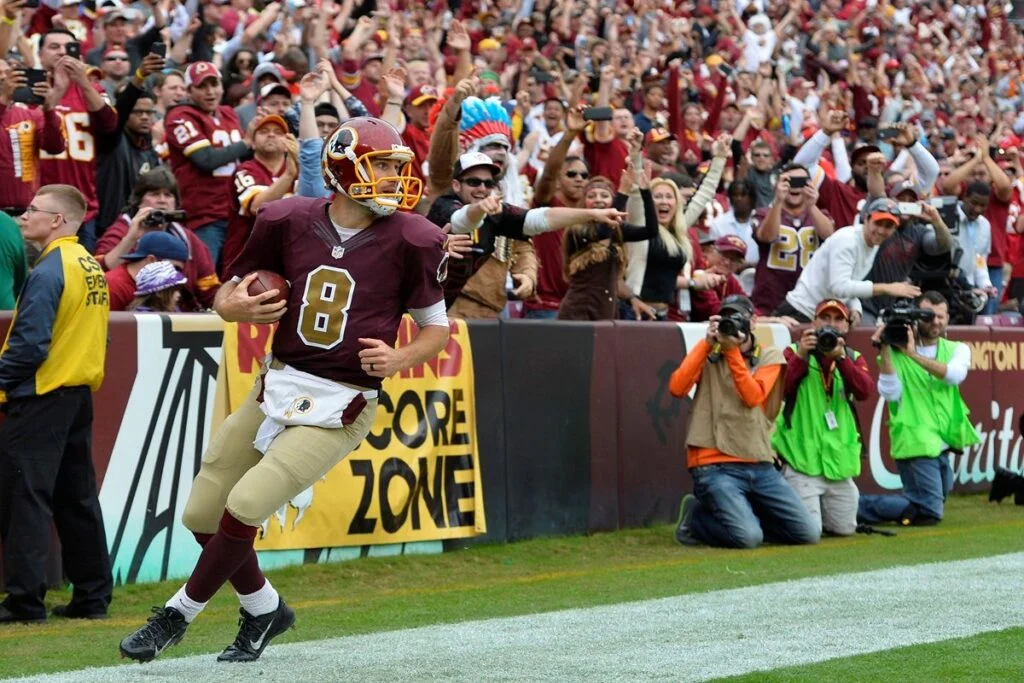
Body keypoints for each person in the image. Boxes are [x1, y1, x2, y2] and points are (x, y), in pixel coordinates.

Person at [118, 117, 450, 663]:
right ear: (345, 169)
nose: (395, 178)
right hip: (276, 381)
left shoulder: (413, 237)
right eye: (383, 166)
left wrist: (400, 357)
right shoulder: (286, 217)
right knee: (202, 513)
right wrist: (231, 307)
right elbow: (227, 294)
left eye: (397, 167)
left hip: (344, 400)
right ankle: (265, 608)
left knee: (246, 502)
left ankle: (177, 615)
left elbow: (437, 327)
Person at [0, 184, 111, 624]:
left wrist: (2, 381)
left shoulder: (49, 270)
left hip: (44, 395)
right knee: (77, 498)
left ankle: (25, 601)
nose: (23, 217)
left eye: (32, 210)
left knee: (26, 497)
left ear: (57, 221)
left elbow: (29, 344)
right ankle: (92, 596)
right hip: (77, 395)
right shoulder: (88, 264)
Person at [669, 294, 818, 549]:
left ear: (754, 321)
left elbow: (753, 397)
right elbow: (677, 388)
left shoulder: (770, 356)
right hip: (713, 464)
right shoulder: (709, 351)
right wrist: (706, 344)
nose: (734, 324)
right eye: (727, 317)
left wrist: (732, 353)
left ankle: (744, 517)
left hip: (758, 462)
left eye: (739, 317)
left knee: (808, 533)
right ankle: (695, 519)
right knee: (748, 538)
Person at [858, 291, 980, 526]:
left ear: (947, 318)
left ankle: (852, 506)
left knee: (930, 501)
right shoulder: (893, 352)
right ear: (915, 318)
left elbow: (954, 375)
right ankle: (855, 507)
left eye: (940, 317)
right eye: (928, 316)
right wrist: (884, 348)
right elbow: (889, 392)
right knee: (930, 510)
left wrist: (912, 354)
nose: (935, 321)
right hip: (915, 438)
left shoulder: (957, 349)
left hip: (944, 438)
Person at [772, 299, 874, 537]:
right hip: (802, 461)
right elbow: (781, 390)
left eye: (838, 319)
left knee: (845, 529)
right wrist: (802, 355)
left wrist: (841, 359)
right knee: (809, 533)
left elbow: (865, 391)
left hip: (837, 461)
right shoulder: (794, 351)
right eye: (825, 318)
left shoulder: (852, 356)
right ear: (814, 322)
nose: (831, 324)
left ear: (847, 326)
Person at [778, 198, 922, 324]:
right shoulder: (848, 240)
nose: (881, 230)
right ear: (866, 219)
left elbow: (849, 283)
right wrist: (887, 288)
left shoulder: (872, 244)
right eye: (878, 223)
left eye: (888, 226)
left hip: (825, 315)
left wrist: (855, 308)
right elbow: (839, 286)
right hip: (801, 312)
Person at [165, 61, 248, 266]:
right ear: (189, 91)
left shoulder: (229, 113)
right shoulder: (180, 116)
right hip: (204, 216)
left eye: (214, 84)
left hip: (234, 214)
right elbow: (206, 159)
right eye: (202, 86)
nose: (210, 92)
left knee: (232, 278)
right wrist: (247, 142)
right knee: (204, 280)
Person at [221, 114, 298, 275]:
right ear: (253, 143)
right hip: (245, 264)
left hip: (288, 262)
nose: (271, 134)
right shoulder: (244, 170)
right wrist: (289, 176)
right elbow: (257, 207)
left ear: (287, 144)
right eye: (263, 131)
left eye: (278, 132)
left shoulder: (301, 174)